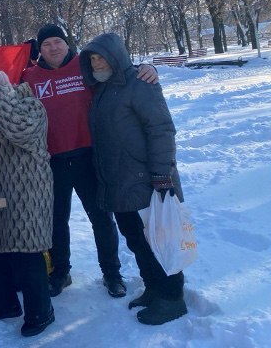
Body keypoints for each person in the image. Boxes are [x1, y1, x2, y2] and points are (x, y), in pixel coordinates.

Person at [20, 23, 160, 298]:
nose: (53, 48)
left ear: (67, 43)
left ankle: (111, 273)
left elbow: (120, 71)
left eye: (57, 42)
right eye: (47, 44)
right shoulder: (29, 77)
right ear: (40, 49)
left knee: (101, 218)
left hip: (89, 156)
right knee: (56, 221)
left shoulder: (85, 67)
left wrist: (148, 68)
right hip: (51, 161)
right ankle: (61, 272)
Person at [79, 32, 187, 325]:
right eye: (92, 58)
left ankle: (172, 298)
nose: (97, 62)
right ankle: (153, 288)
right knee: (138, 241)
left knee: (159, 240)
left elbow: (161, 128)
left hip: (148, 181)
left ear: (116, 56)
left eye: (101, 56)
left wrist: (162, 174)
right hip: (118, 182)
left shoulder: (140, 83)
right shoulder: (101, 89)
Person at [0, 71, 55, 337]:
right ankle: (3, 304)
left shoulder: (31, 106)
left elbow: (21, 132)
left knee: (26, 248)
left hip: (28, 191)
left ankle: (41, 312)